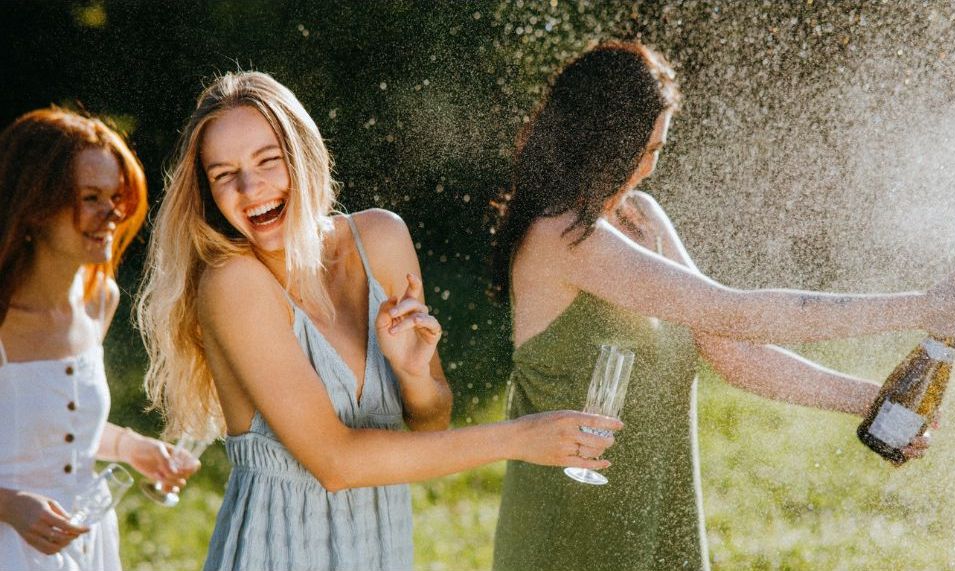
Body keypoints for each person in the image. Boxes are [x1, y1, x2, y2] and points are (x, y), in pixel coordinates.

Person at [490, 41, 955, 571]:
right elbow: (735, 311)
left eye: (657, 149)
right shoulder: (560, 238)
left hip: (658, 513)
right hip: (570, 530)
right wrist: (921, 308)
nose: (645, 167)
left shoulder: (641, 218)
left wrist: (871, 400)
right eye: (639, 148)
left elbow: (731, 347)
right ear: (599, 140)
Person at [136, 71, 621, 571]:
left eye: (268, 160)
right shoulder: (232, 283)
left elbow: (430, 423)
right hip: (277, 551)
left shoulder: (381, 239)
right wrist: (520, 437)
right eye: (223, 174)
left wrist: (413, 376)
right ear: (209, 192)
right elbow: (336, 464)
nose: (249, 186)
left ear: (303, 155)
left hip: (379, 547)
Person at [0, 107, 200, 571]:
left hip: (86, 547)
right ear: (33, 205)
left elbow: (53, 428)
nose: (112, 213)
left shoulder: (99, 300)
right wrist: (9, 505)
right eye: (90, 197)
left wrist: (134, 448)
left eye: (116, 196)